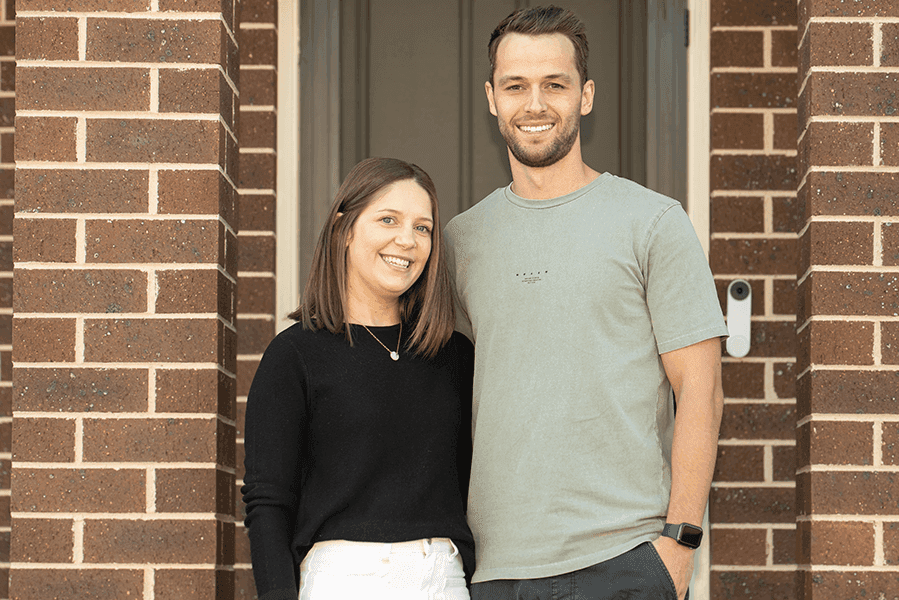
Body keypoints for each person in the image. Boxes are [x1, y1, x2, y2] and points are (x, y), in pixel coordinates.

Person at [443, 6, 727, 599]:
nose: (536, 104)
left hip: (624, 557)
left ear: (586, 96)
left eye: (556, 84)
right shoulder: (459, 242)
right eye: (516, 86)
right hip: (497, 567)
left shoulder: (653, 222)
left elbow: (699, 388)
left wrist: (680, 542)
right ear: (491, 98)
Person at [242, 157, 476, 600]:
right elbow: (268, 501)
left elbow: (476, 486)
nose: (406, 240)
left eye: (422, 228)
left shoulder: (454, 356)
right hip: (342, 581)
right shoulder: (294, 355)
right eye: (388, 219)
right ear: (345, 229)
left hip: (442, 579)